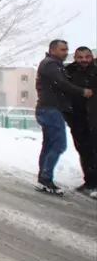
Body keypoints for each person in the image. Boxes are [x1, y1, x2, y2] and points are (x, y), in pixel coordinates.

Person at [34, 39, 93, 193]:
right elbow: (62, 83)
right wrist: (82, 91)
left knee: (49, 145)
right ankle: (45, 179)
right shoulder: (51, 65)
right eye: (62, 49)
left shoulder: (55, 65)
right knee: (58, 145)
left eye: (66, 49)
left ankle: (43, 178)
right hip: (50, 110)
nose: (65, 52)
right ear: (52, 50)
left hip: (48, 109)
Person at [63, 46, 97, 195]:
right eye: (80, 57)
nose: (84, 60)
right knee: (84, 151)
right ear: (75, 58)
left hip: (94, 117)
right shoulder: (69, 72)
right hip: (78, 119)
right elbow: (63, 92)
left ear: (91, 57)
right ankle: (90, 182)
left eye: (87, 57)